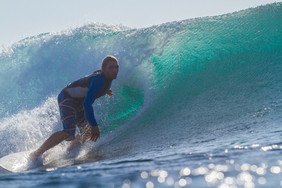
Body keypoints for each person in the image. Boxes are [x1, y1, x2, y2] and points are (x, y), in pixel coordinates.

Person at [30, 56, 119, 162]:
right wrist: (94, 125)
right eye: (111, 67)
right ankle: (36, 153)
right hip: (67, 98)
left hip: (78, 102)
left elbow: (93, 77)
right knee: (68, 131)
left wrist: (105, 90)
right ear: (104, 68)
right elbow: (87, 104)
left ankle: (69, 150)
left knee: (87, 132)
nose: (114, 70)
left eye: (116, 67)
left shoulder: (105, 78)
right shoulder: (98, 81)